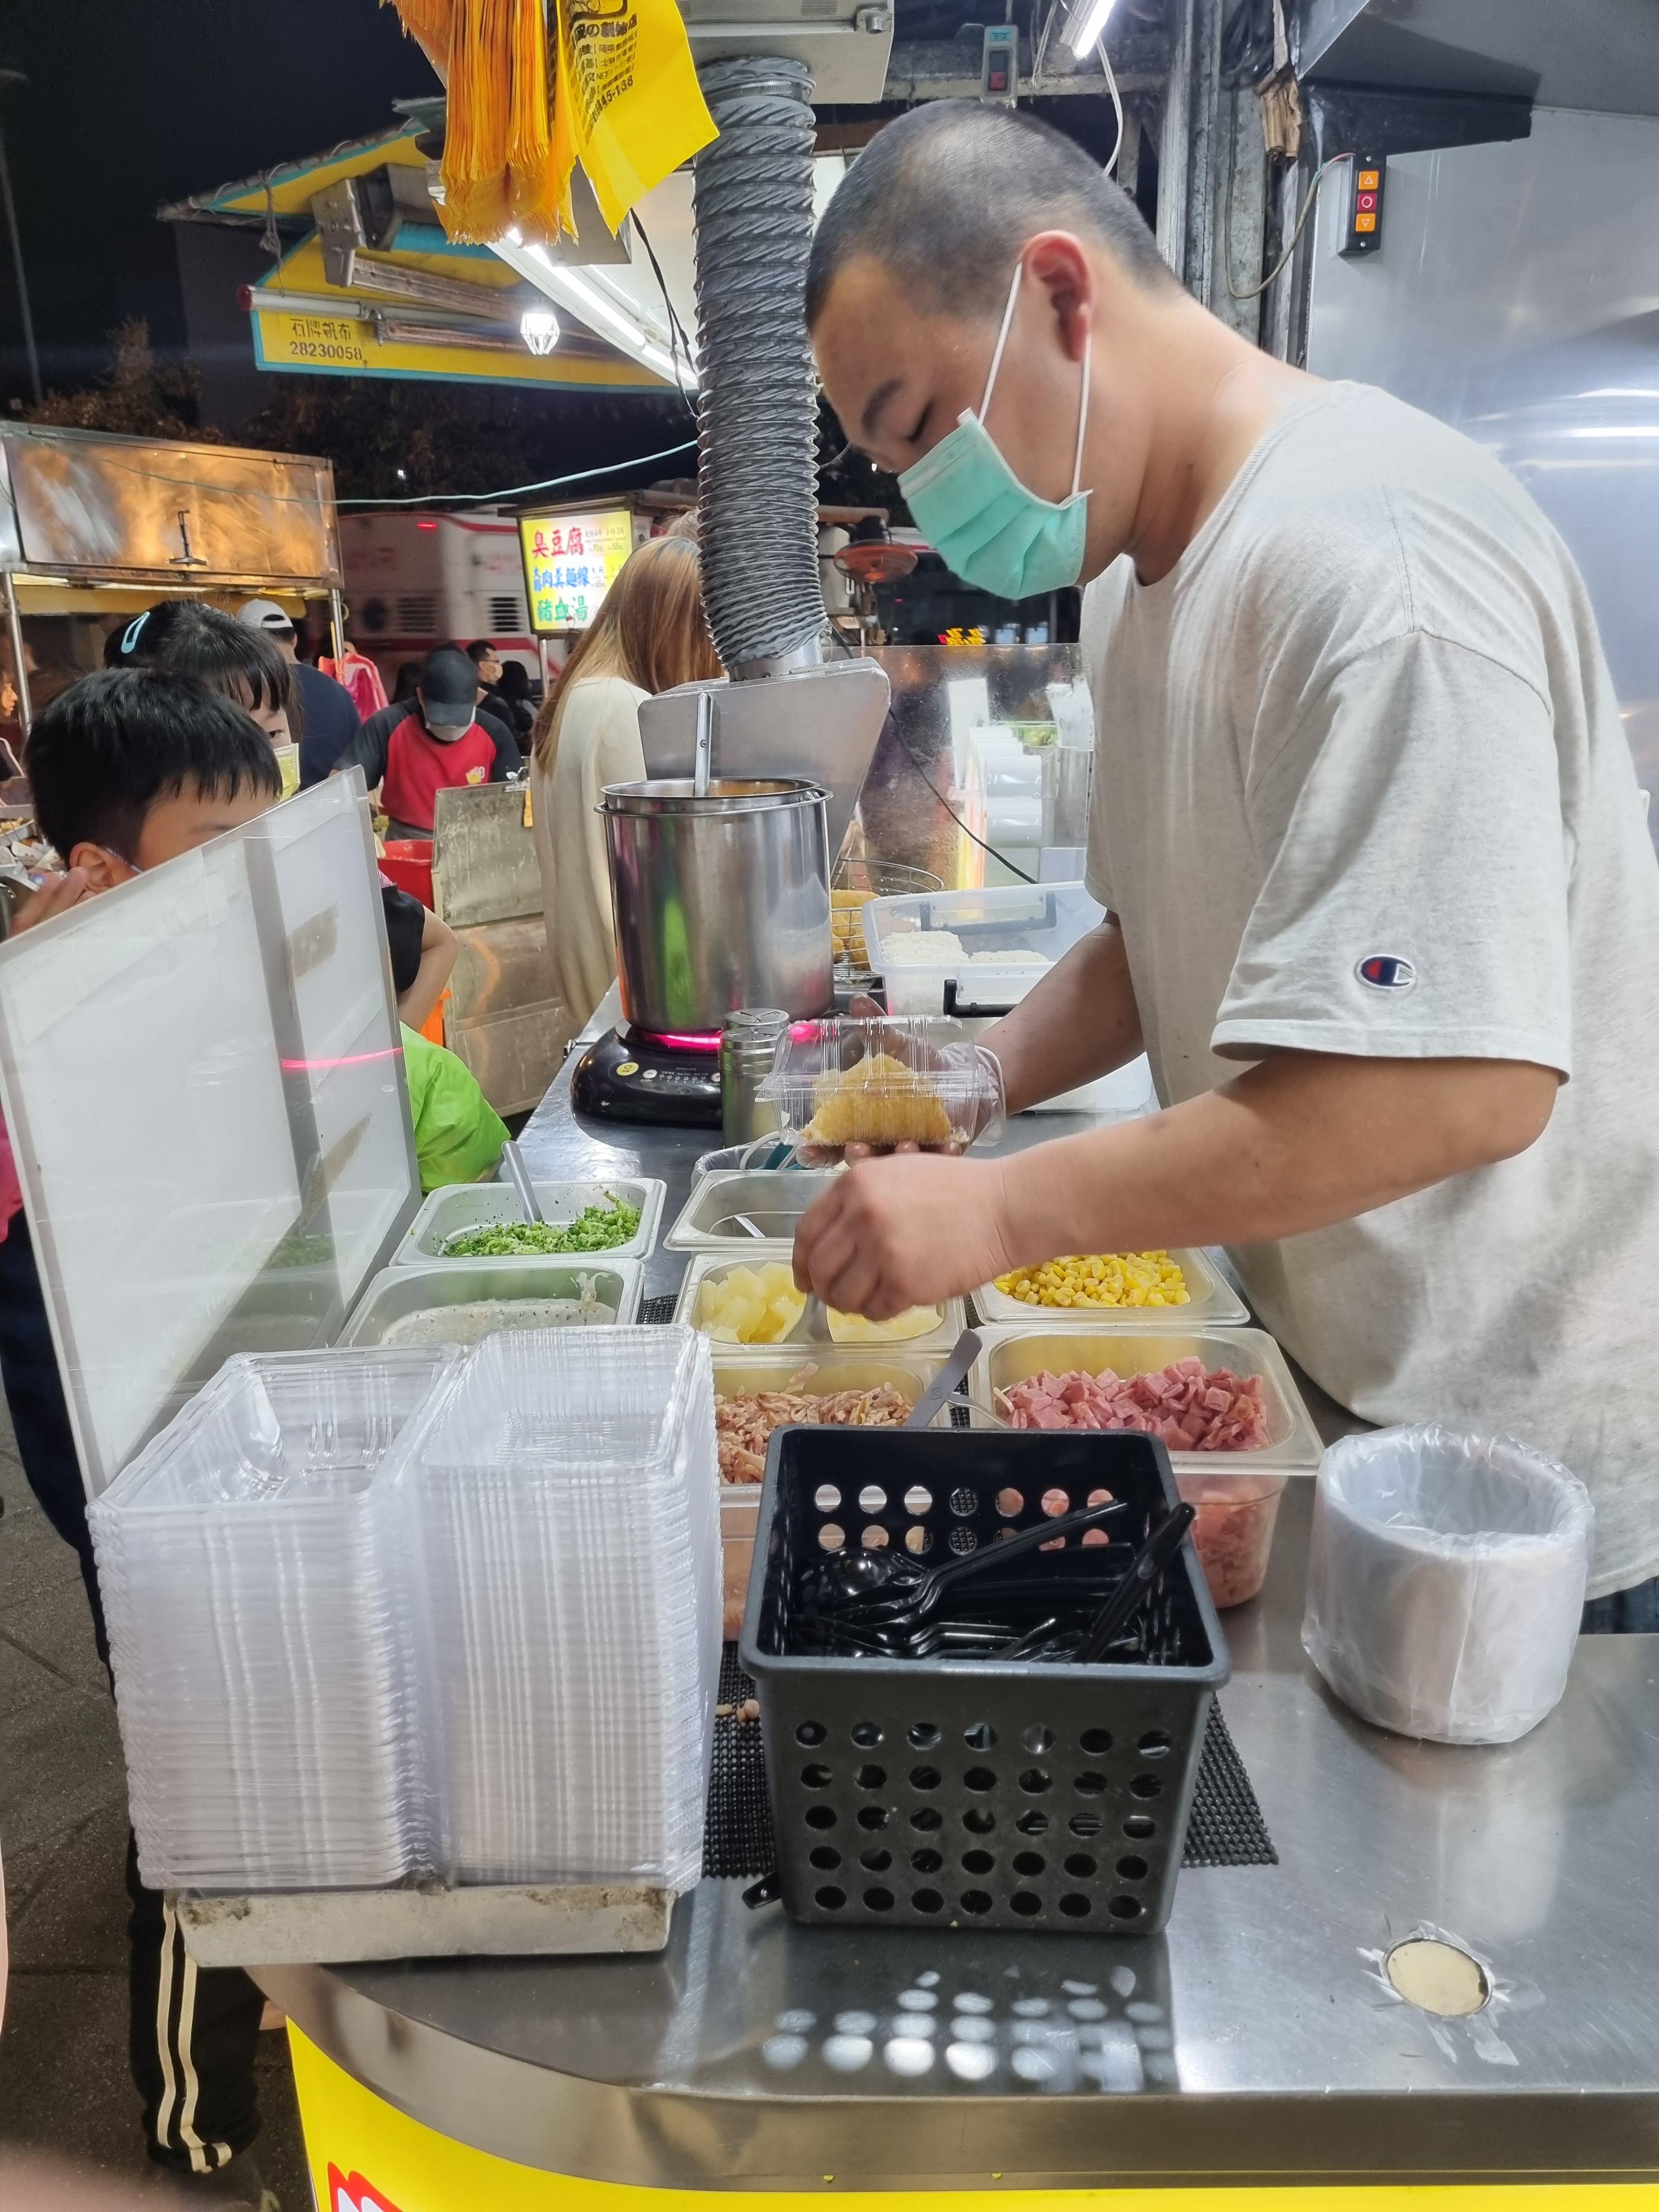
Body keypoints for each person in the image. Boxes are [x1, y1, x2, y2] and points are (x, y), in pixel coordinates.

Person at [794, 101, 1659, 1626]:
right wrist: (983, 1076)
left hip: (1509, 1480)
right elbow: (1159, 935)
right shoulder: (1138, 582)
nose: (926, 496)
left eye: (920, 425)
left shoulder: (1374, 567)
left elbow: (1457, 1086)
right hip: (1313, 1389)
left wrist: (1003, 1213)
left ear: (1061, 295)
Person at [3, 671, 285, 2207]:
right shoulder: (35, 1035)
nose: (253, 881)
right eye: (218, 849)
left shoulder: (190, 988)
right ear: (100, 868)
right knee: (195, 1791)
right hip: (133, 1478)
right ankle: (194, 2124)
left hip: (219, 1409)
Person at [136, 604, 453, 1029]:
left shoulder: (323, 853)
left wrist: (395, 1054)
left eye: (272, 733)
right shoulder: (151, 889)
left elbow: (439, 944)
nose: (260, 761)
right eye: (228, 740)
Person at [527, 536, 720, 1024]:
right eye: (710, 634)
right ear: (679, 628)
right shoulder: (626, 708)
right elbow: (675, 881)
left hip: (596, 1001)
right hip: (645, 1001)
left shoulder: (571, 699)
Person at [331, 643, 521, 838]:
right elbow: (341, 784)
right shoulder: (388, 724)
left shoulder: (495, 733)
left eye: (458, 720)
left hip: (475, 838)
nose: (451, 729)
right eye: (442, 719)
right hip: (406, 841)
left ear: (476, 698)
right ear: (420, 696)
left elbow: (514, 801)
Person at [236, 597, 362, 785]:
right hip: (337, 799)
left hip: (283, 800)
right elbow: (359, 757)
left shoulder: (253, 694)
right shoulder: (337, 690)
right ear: (294, 640)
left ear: (247, 647)